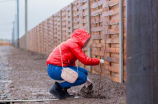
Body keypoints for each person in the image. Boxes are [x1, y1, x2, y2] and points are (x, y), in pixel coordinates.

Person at [46, 28, 104, 99]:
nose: (87, 43)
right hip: (54, 68)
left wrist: (86, 81)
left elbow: (71, 64)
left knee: (84, 72)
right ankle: (57, 88)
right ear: (82, 39)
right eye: (87, 41)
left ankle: (64, 90)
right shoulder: (73, 44)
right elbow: (85, 60)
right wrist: (98, 61)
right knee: (83, 78)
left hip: (57, 67)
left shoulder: (73, 43)